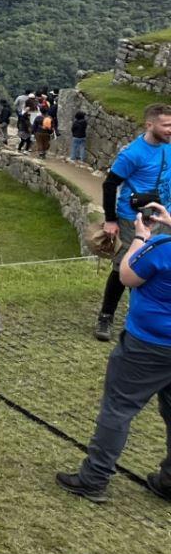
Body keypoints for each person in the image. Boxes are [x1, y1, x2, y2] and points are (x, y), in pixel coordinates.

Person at [58, 197, 171, 503]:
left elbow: (126, 274)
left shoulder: (161, 249)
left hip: (149, 343)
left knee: (118, 408)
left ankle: (94, 478)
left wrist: (140, 238)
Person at [94, 103, 171, 341]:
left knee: (155, 268)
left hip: (163, 216)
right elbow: (110, 184)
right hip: (133, 219)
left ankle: (141, 315)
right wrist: (110, 220)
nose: (170, 129)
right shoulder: (132, 153)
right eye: (166, 125)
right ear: (149, 125)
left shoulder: (168, 146)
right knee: (123, 268)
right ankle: (106, 316)